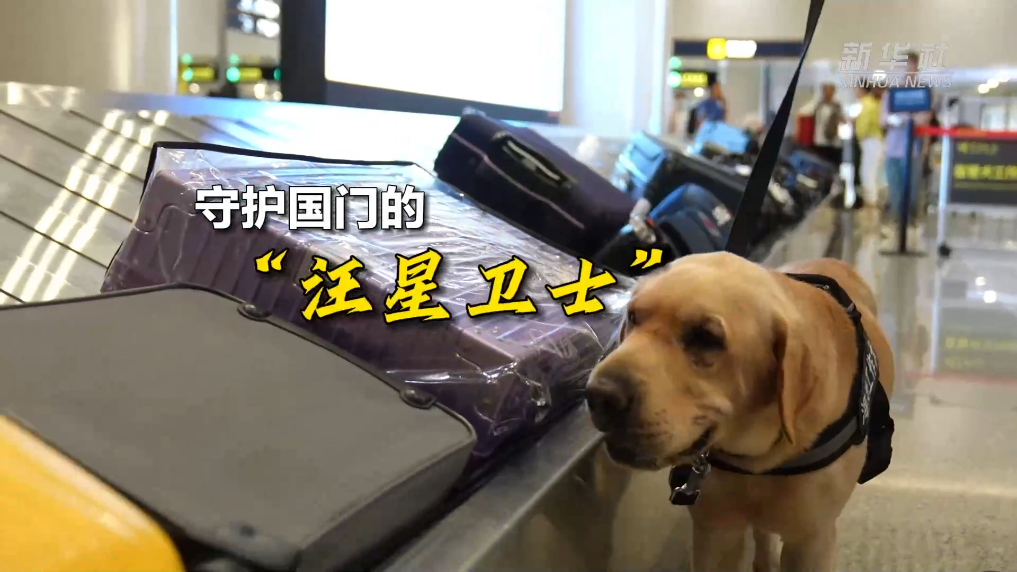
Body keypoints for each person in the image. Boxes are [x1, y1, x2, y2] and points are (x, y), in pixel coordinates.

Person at [880, 51, 931, 222]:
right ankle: (898, 223)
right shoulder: (890, 93)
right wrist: (903, 119)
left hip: (912, 151)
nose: (907, 71)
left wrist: (901, 120)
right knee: (894, 190)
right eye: (903, 67)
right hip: (892, 150)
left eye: (910, 67)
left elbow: (924, 120)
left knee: (912, 192)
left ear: (916, 69)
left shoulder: (922, 93)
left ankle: (911, 223)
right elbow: (883, 119)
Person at [854, 85, 885, 208]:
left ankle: (871, 201)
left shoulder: (865, 104)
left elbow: (863, 125)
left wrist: (859, 136)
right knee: (874, 172)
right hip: (878, 140)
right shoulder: (876, 103)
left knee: (867, 172)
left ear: (862, 90)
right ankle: (874, 198)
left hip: (870, 140)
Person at [811, 83, 845, 168]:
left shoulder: (837, 106)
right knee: (821, 165)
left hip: (834, 141)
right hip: (821, 141)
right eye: (826, 91)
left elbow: (843, 120)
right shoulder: (818, 105)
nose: (828, 93)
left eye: (831, 91)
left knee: (834, 166)